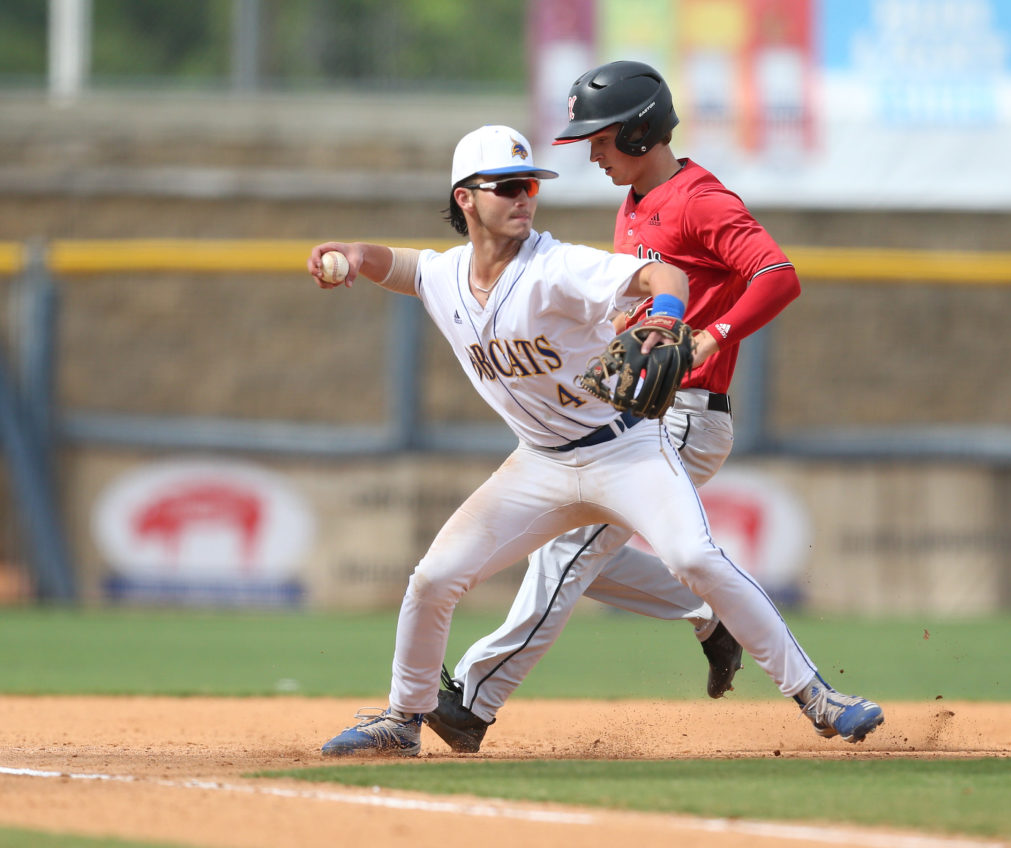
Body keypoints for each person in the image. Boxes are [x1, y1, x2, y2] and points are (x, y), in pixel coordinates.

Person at [314, 123, 884, 757]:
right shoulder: (446, 275)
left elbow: (663, 277)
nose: (523, 196)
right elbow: (399, 266)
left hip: (624, 449)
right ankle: (403, 718)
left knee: (694, 559)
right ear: (466, 198)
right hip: (538, 467)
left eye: (530, 184)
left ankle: (817, 697)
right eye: (506, 187)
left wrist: (669, 319)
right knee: (432, 579)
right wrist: (352, 256)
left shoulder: (557, 266)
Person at [426, 61, 818, 754]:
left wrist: (711, 334)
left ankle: (475, 703)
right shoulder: (635, 202)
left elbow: (776, 274)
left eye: (601, 139)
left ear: (641, 130)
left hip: (686, 413)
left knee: (564, 559)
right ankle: (711, 615)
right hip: (641, 409)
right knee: (578, 552)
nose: (592, 153)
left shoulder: (698, 198)